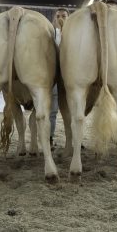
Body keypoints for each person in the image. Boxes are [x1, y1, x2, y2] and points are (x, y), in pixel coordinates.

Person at [49, 8, 69, 149]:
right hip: (55, 77)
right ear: (54, 19)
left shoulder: (74, 34)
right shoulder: (51, 34)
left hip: (70, 77)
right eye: (58, 16)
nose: (61, 18)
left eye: (63, 16)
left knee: (74, 110)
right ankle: (49, 138)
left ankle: (74, 140)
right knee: (53, 111)